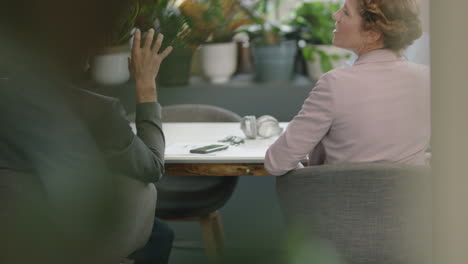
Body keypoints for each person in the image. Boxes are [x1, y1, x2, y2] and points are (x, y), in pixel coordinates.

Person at [1, 0, 174, 263]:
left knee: (161, 233)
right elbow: (151, 167)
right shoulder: (96, 111)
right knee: (160, 236)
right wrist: (146, 86)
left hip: (12, 236)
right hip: (75, 238)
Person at [265, 0, 430, 176]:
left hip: (336, 201)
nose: (335, 15)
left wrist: (307, 177)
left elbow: (277, 162)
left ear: (372, 34)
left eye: (346, 12)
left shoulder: (334, 83)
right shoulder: (429, 79)